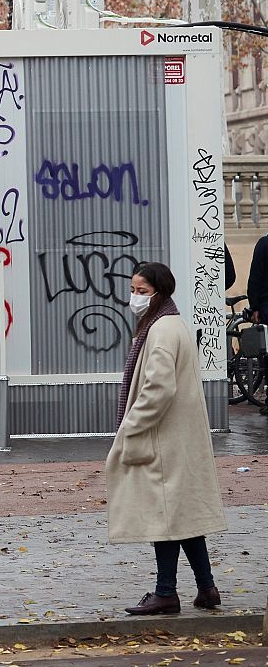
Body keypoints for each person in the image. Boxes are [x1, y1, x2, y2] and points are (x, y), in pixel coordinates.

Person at [108, 261, 228, 615]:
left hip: (163, 438)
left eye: (142, 291)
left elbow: (157, 389)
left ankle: (165, 592)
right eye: (132, 290)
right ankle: (207, 589)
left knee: (163, 516)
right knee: (182, 514)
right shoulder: (173, 324)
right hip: (178, 437)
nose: (135, 297)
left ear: (159, 292)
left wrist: (132, 425)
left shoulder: (160, 331)